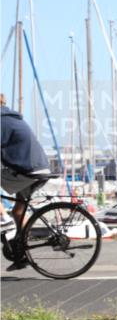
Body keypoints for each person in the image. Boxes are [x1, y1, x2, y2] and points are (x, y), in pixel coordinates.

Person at [1, 98, 51, 264]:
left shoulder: (2, 120)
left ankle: (4, 221)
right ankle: (21, 253)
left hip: (28, 170)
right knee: (17, 211)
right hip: (38, 169)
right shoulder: (11, 118)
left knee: (13, 214)